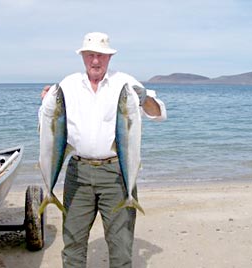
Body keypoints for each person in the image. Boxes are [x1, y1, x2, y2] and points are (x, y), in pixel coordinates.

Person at [39, 32, 166, 268]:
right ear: (83, 57)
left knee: (120, 246)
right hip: (78, 172)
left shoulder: (126, 83)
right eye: (90, 55)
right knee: (73, 244)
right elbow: (50, 124)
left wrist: (145, 97)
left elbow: (158, 113)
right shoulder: (68, 85)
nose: (95, 61)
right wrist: (46, 99)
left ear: (109, 57)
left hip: (116, 173)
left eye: (101, 56)